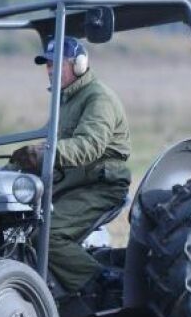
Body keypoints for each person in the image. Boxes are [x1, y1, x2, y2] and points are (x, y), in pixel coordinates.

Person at [12, 36, 131, 294]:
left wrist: (43, 154)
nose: (51, 70)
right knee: (18, 225)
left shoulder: (98, 98)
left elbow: (89, 145)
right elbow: (55, 151)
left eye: (57, 63)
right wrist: (7, 171)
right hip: (74, 184)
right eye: (47, 65)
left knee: (46, 234)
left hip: (100, 185)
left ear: (79, 65)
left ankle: (102, 285)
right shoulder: (65, 101)